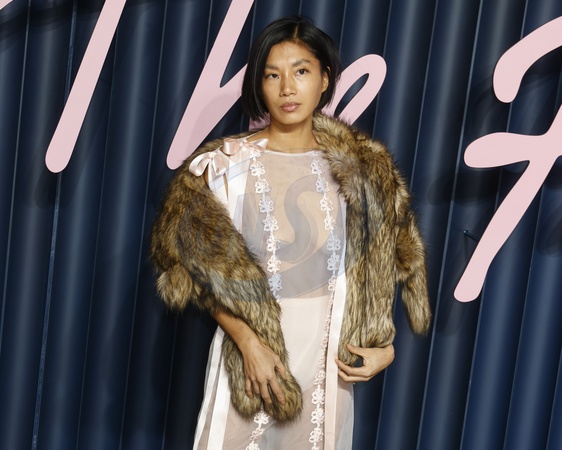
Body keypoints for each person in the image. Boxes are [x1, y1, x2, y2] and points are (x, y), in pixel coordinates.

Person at [150, 15, 431, 450]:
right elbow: (193, 271)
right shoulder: (225, 166)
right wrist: (248, 343)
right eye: (272, 75)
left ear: (324, 79)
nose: (287, 88)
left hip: (327, 373)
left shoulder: (362, 172)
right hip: (251, 369)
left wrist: (384, 347)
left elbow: (378, 266)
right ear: (259, 85)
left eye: (301, 71)